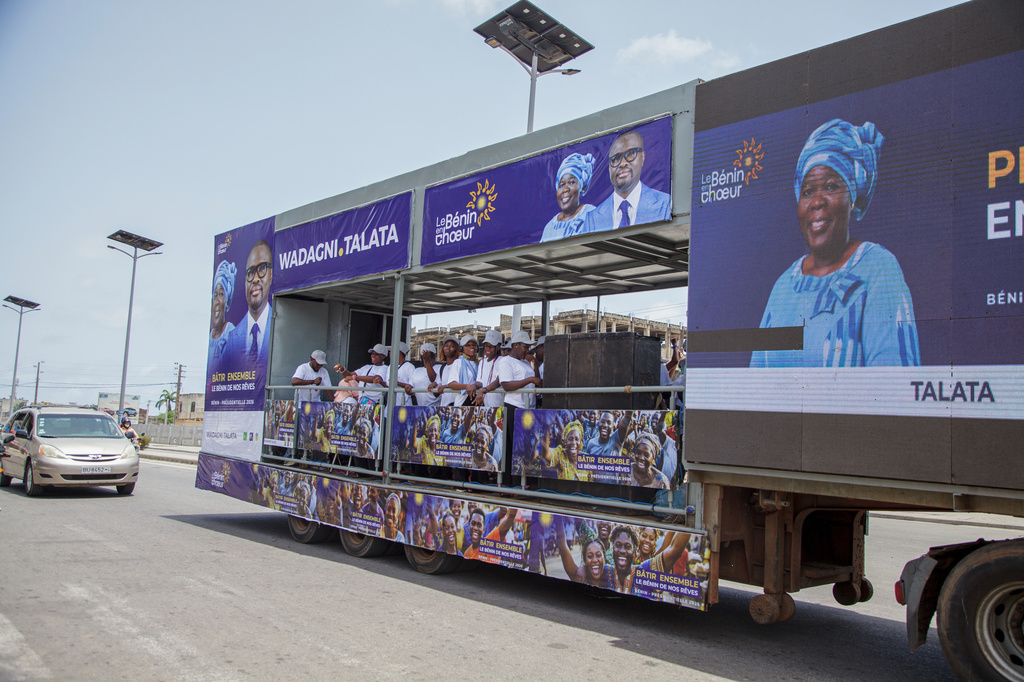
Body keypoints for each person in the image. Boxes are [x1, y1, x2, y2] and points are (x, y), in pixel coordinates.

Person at [751, 119, 920, 368]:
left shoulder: (877, 269)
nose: (816, 202)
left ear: (852, 197)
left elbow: (894, 387)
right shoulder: (785, 286)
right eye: (807, 192)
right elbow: (755, 382)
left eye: (831, 186)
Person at [581, 130, 671, 235]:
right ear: (609, 166)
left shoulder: (664, 204)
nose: (623, 163)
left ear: (642, 157)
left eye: (630, 154)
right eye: (616, 158)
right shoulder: (592, 218)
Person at [226, 239, 273, 365]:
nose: (255, 279)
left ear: (271, 274)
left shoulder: (281, 328)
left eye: (262, 269)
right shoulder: (232, 338)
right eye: (250, 272)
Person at [540, 153, 597, 242]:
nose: (565, 189)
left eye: (571, 182)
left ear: (580, 186)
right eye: (561, 185)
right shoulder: (550, 227)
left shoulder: (591, 214)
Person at [554, 519, 613, 589]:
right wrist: (558, 517)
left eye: (598, 555)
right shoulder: (579, 577)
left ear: (604, 557)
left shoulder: (613, 580)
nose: (594, 560)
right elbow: (562, 546)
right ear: (584, 560)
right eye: (590, 556)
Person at [431, 335, 476, 407]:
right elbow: (449, 384)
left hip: (470, 402)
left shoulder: (477, 364)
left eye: (452, 346)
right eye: (446, 346)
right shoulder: (452, 365)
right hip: (451, 404)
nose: (448, 348)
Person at [209, 260, 236, 364]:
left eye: (221, 294)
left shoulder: (231, 334)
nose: (217, 302)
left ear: (227, 301)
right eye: (215, 296)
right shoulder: (211, 336)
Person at [472, 330, 505, 408]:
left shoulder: (503, 360)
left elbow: (498, 381)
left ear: (498, 347)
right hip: (485, 405)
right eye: (486, 346)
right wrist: (474, 385)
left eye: (491, 346)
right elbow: (479, 381)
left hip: (499, 405)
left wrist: (484, 390)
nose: (488, 349)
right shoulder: (482, 362)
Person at [407, 343, 441, 408]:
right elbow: (411, 385)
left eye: (431, 356)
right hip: (420, 408)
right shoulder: (417, 370)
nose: (428, 358)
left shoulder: (440, 368)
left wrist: (427, 361)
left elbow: (433, 379)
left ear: (436, 355)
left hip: (436, 408)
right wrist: (408, 387)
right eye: (424, 357)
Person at [392, 342, 416, 407]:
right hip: (390, 405)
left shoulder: (409, 366)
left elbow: (412, 386)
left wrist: (397, 383)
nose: (390, 353)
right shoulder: (390, 366)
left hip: (404, 404)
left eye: (393, 350)